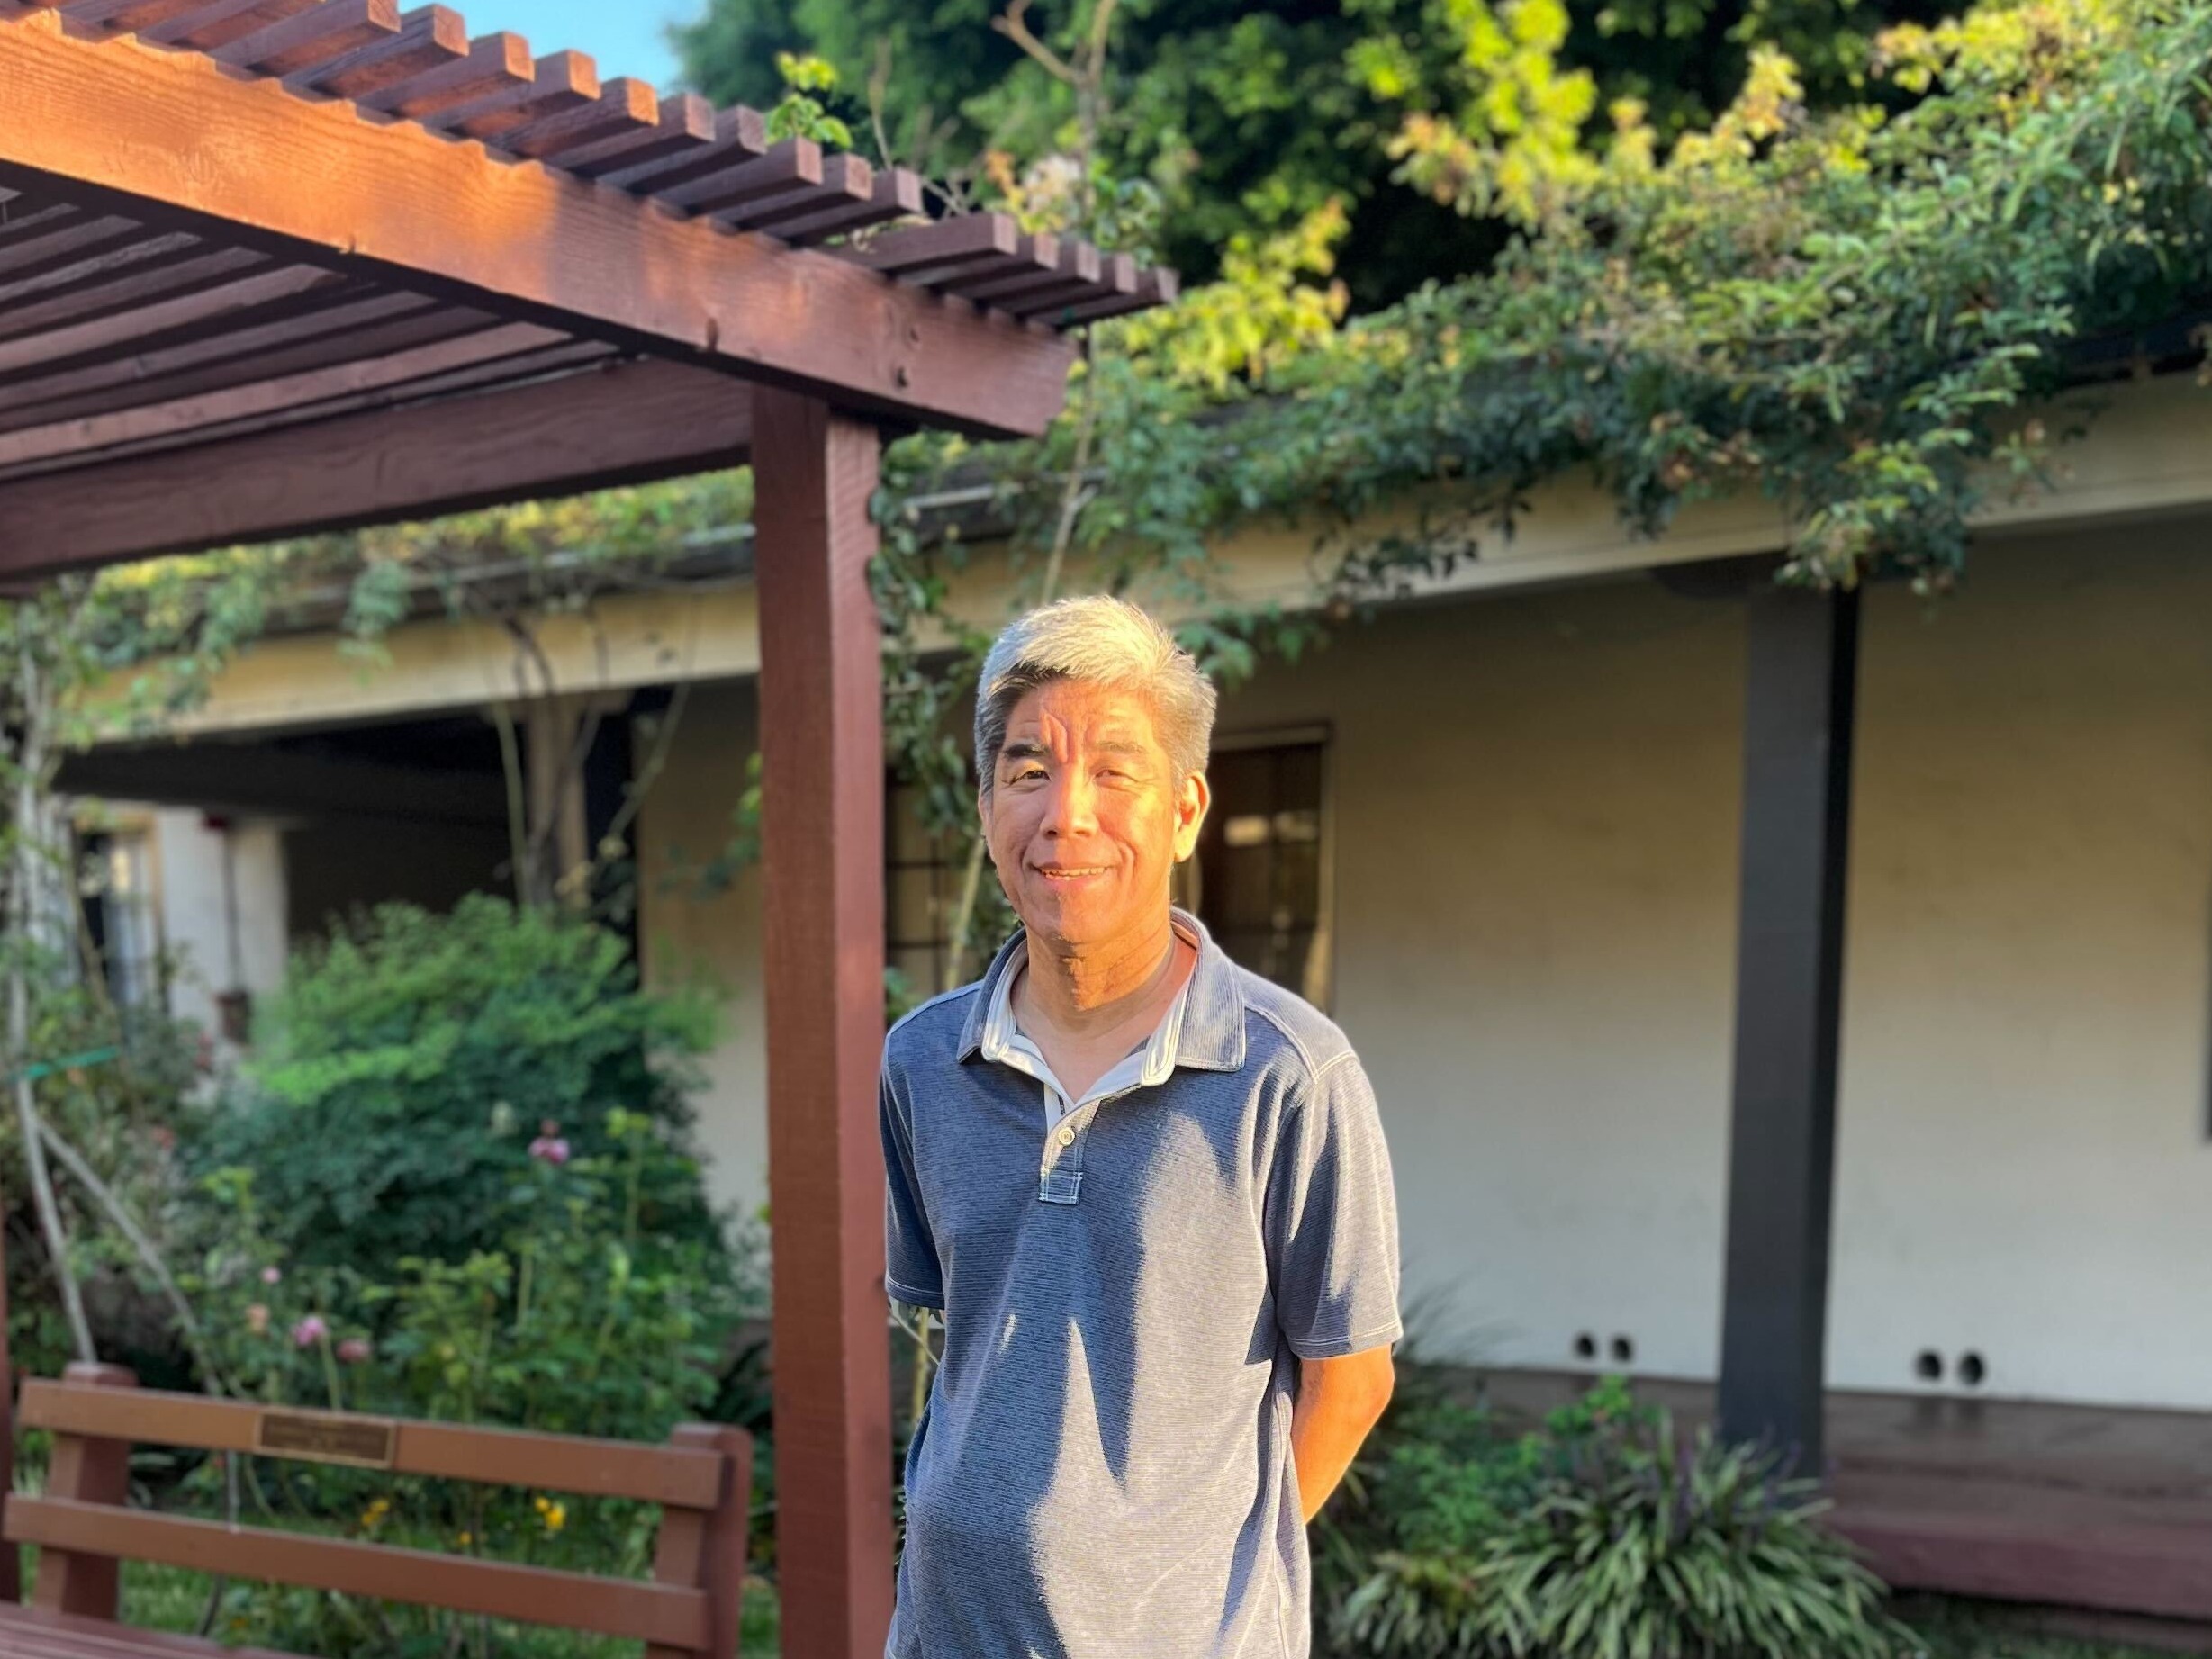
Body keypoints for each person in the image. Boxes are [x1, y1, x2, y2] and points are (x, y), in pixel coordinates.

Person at [880, 595, 1402, 1658]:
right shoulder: (924, 1063)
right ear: (986, 809)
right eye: (1028, 771)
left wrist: (1195, 1573)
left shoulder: (1288, 1072)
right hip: (944, 1629)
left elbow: (1353, 1378)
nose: (1066, 812)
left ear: (1185, 809)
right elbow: (952, 1329)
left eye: (1114, 771)